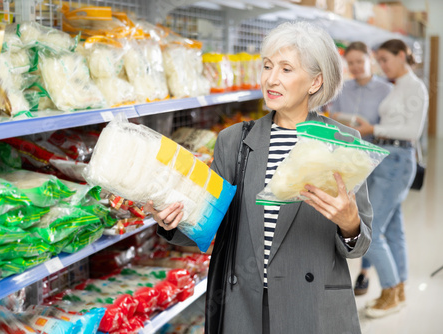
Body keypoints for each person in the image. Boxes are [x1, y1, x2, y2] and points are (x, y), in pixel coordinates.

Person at [145, 21, 372, 334]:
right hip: (245, 307)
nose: (271, 79)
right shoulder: (234, 142)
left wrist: (349, 222)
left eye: (286, 69)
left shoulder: (341, 143)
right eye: (267, 66)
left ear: (315, 82)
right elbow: (206, 223)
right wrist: (172, 218)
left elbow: (359, 244)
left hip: (312, 308)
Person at [352, 39, 428, 318]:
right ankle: (399, 290)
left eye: (384, 59)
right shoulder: (400, 85)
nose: (382, 66)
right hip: (387, 158)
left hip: (397, 160)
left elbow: (412, 129)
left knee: (371, 230)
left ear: (401, 56)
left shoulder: (415, 87)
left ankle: (389, 291)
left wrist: (373, 127)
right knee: (393, 228)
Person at [329, 41, 392, 296]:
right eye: (350, 63)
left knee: (370, 218)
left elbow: (386, 126)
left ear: (370, 60)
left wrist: (367, 127)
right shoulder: (344, 88)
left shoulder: (386, 90)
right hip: (348, 160)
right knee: (356, 213)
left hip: (376, 161)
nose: (355, 67)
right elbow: (332, 116)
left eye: (359, 61)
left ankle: (365, 273)